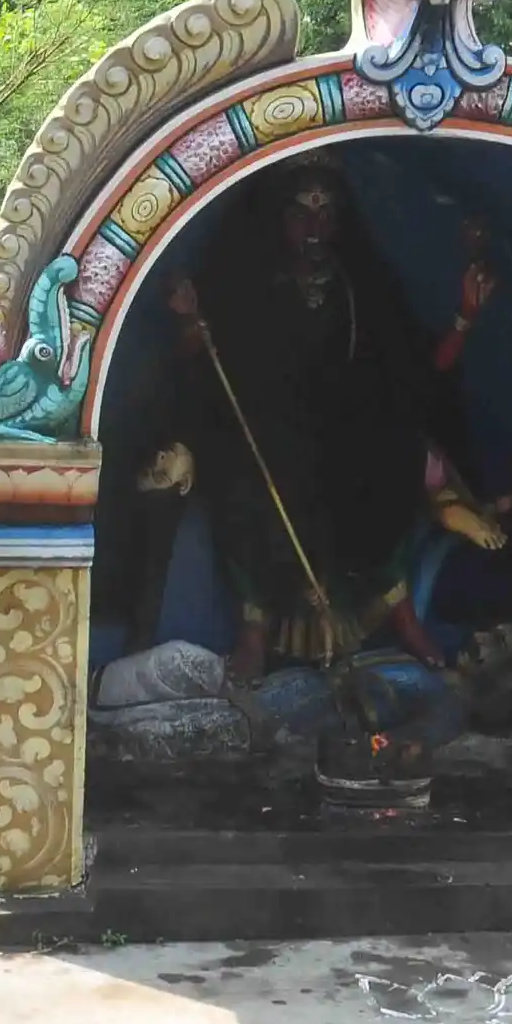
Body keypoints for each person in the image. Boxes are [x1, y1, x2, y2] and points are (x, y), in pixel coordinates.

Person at [128, 154, 443, 683]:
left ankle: (403, 615)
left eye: (326, 215)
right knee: (242, 476)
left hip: (346, 424)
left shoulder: (361, 285)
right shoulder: (252, 283)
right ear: (280, 220)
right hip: (269, 427)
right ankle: (254, 629)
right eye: (301, 215)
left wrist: (462, 321)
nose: (314, 228)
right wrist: (190, 321)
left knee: (394, 460)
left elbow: (401, 364)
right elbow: (205, 363)